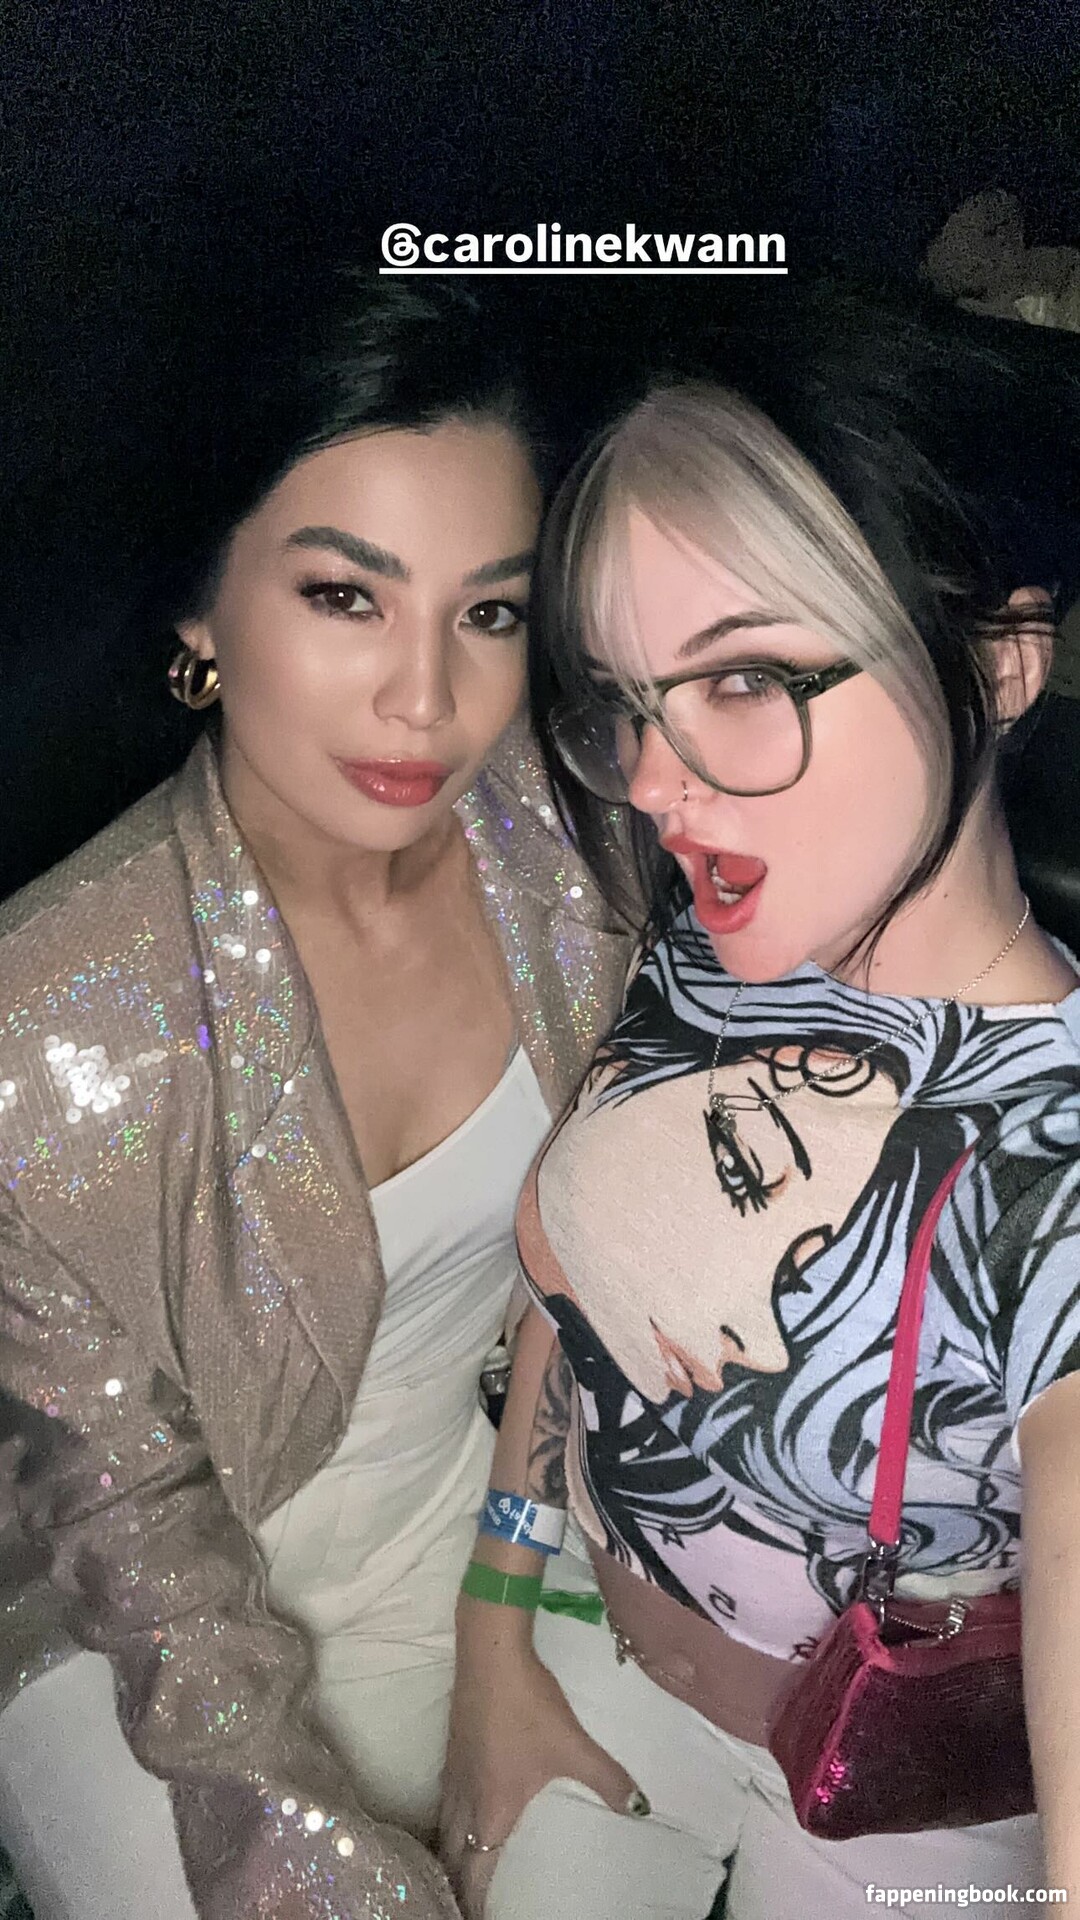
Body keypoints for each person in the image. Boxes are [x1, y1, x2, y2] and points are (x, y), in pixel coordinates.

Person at [0, 276, 636, 1920]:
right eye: (348, 596)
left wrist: (505, 1613)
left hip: (484, 1519)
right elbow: (127, 1524)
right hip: (134, 1628)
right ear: (203, 612)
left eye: (489, 615)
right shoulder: (44, 1026)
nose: (427, 701)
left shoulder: (571, 850)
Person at [440, 296, 1080, 1919]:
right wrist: (496, 1631)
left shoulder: (1059, 1169)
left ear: (999, 661)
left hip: (898, 1821)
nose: (656, 784)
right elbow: (576, 1312)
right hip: (585, 1666)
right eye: (629, 699)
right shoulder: (716, 935)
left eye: (743, 679)